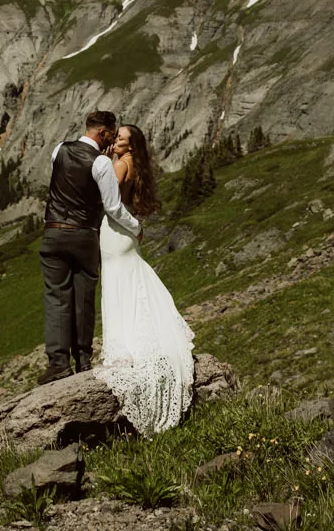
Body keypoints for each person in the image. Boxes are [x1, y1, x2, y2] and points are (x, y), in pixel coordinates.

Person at [95, 124, 195, 435]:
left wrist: (103, 158)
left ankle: (123, 345)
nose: (117, 137)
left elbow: (108, 197)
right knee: (128, 282)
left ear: (130, 145)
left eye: (122, 135)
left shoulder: (120, 164)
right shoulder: (132, 163)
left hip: (113, 233)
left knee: (115, 286)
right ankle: (134, 336)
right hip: (124, 234)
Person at [39, 110, 140, 385]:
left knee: (56, 298)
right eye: (112, 133)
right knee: (83, 299)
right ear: (104, 133)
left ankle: (58, 363)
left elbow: (61, 183)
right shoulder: (102, 163)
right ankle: (83, 361)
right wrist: (136, 227)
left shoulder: (59, 149)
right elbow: (113, 207)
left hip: (54, 232)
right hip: (84, 236)